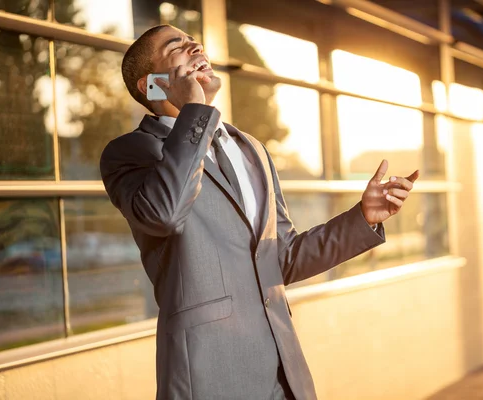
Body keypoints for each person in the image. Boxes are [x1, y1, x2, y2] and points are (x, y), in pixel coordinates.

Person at [100, 24, 419, 400]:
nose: (196, 45)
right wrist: (195, 111)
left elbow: (281, 258)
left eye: (193, 40)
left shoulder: (250, 148)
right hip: (209, 375)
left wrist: (362, 218)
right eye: (178, 46)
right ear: (152, 84)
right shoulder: (130, 152)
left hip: (283, 369)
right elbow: (164, 213)